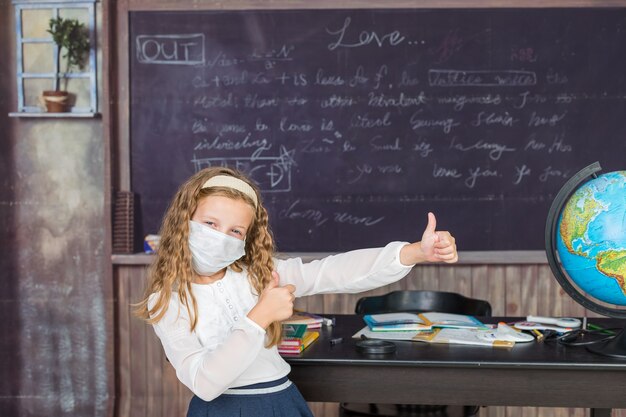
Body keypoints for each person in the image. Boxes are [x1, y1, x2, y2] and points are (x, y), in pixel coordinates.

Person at [135, 166, 458, 417]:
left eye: (236, 231)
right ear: (184, 222)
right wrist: (258, 317)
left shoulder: (258, 274)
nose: (222, 237)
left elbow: (331, 272)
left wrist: (413, 252)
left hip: (281, 401)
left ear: (246, 239)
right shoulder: (167, 301)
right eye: (210, 224)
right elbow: (204, 384)